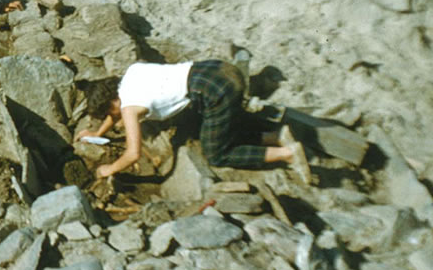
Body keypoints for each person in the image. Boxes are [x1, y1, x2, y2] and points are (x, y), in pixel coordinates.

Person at [76, 59, 312, 184]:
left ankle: (288, 153)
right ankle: (275, 137)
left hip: (216, 91)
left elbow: (132, 154)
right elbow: (113, 112)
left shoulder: (128, 108)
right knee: (213, 128)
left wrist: (108, 169)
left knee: (216, 154)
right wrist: (96, 132)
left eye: (112, 113)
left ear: (112, 103)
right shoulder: (131, 74)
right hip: (216, 68)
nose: (116, 118)